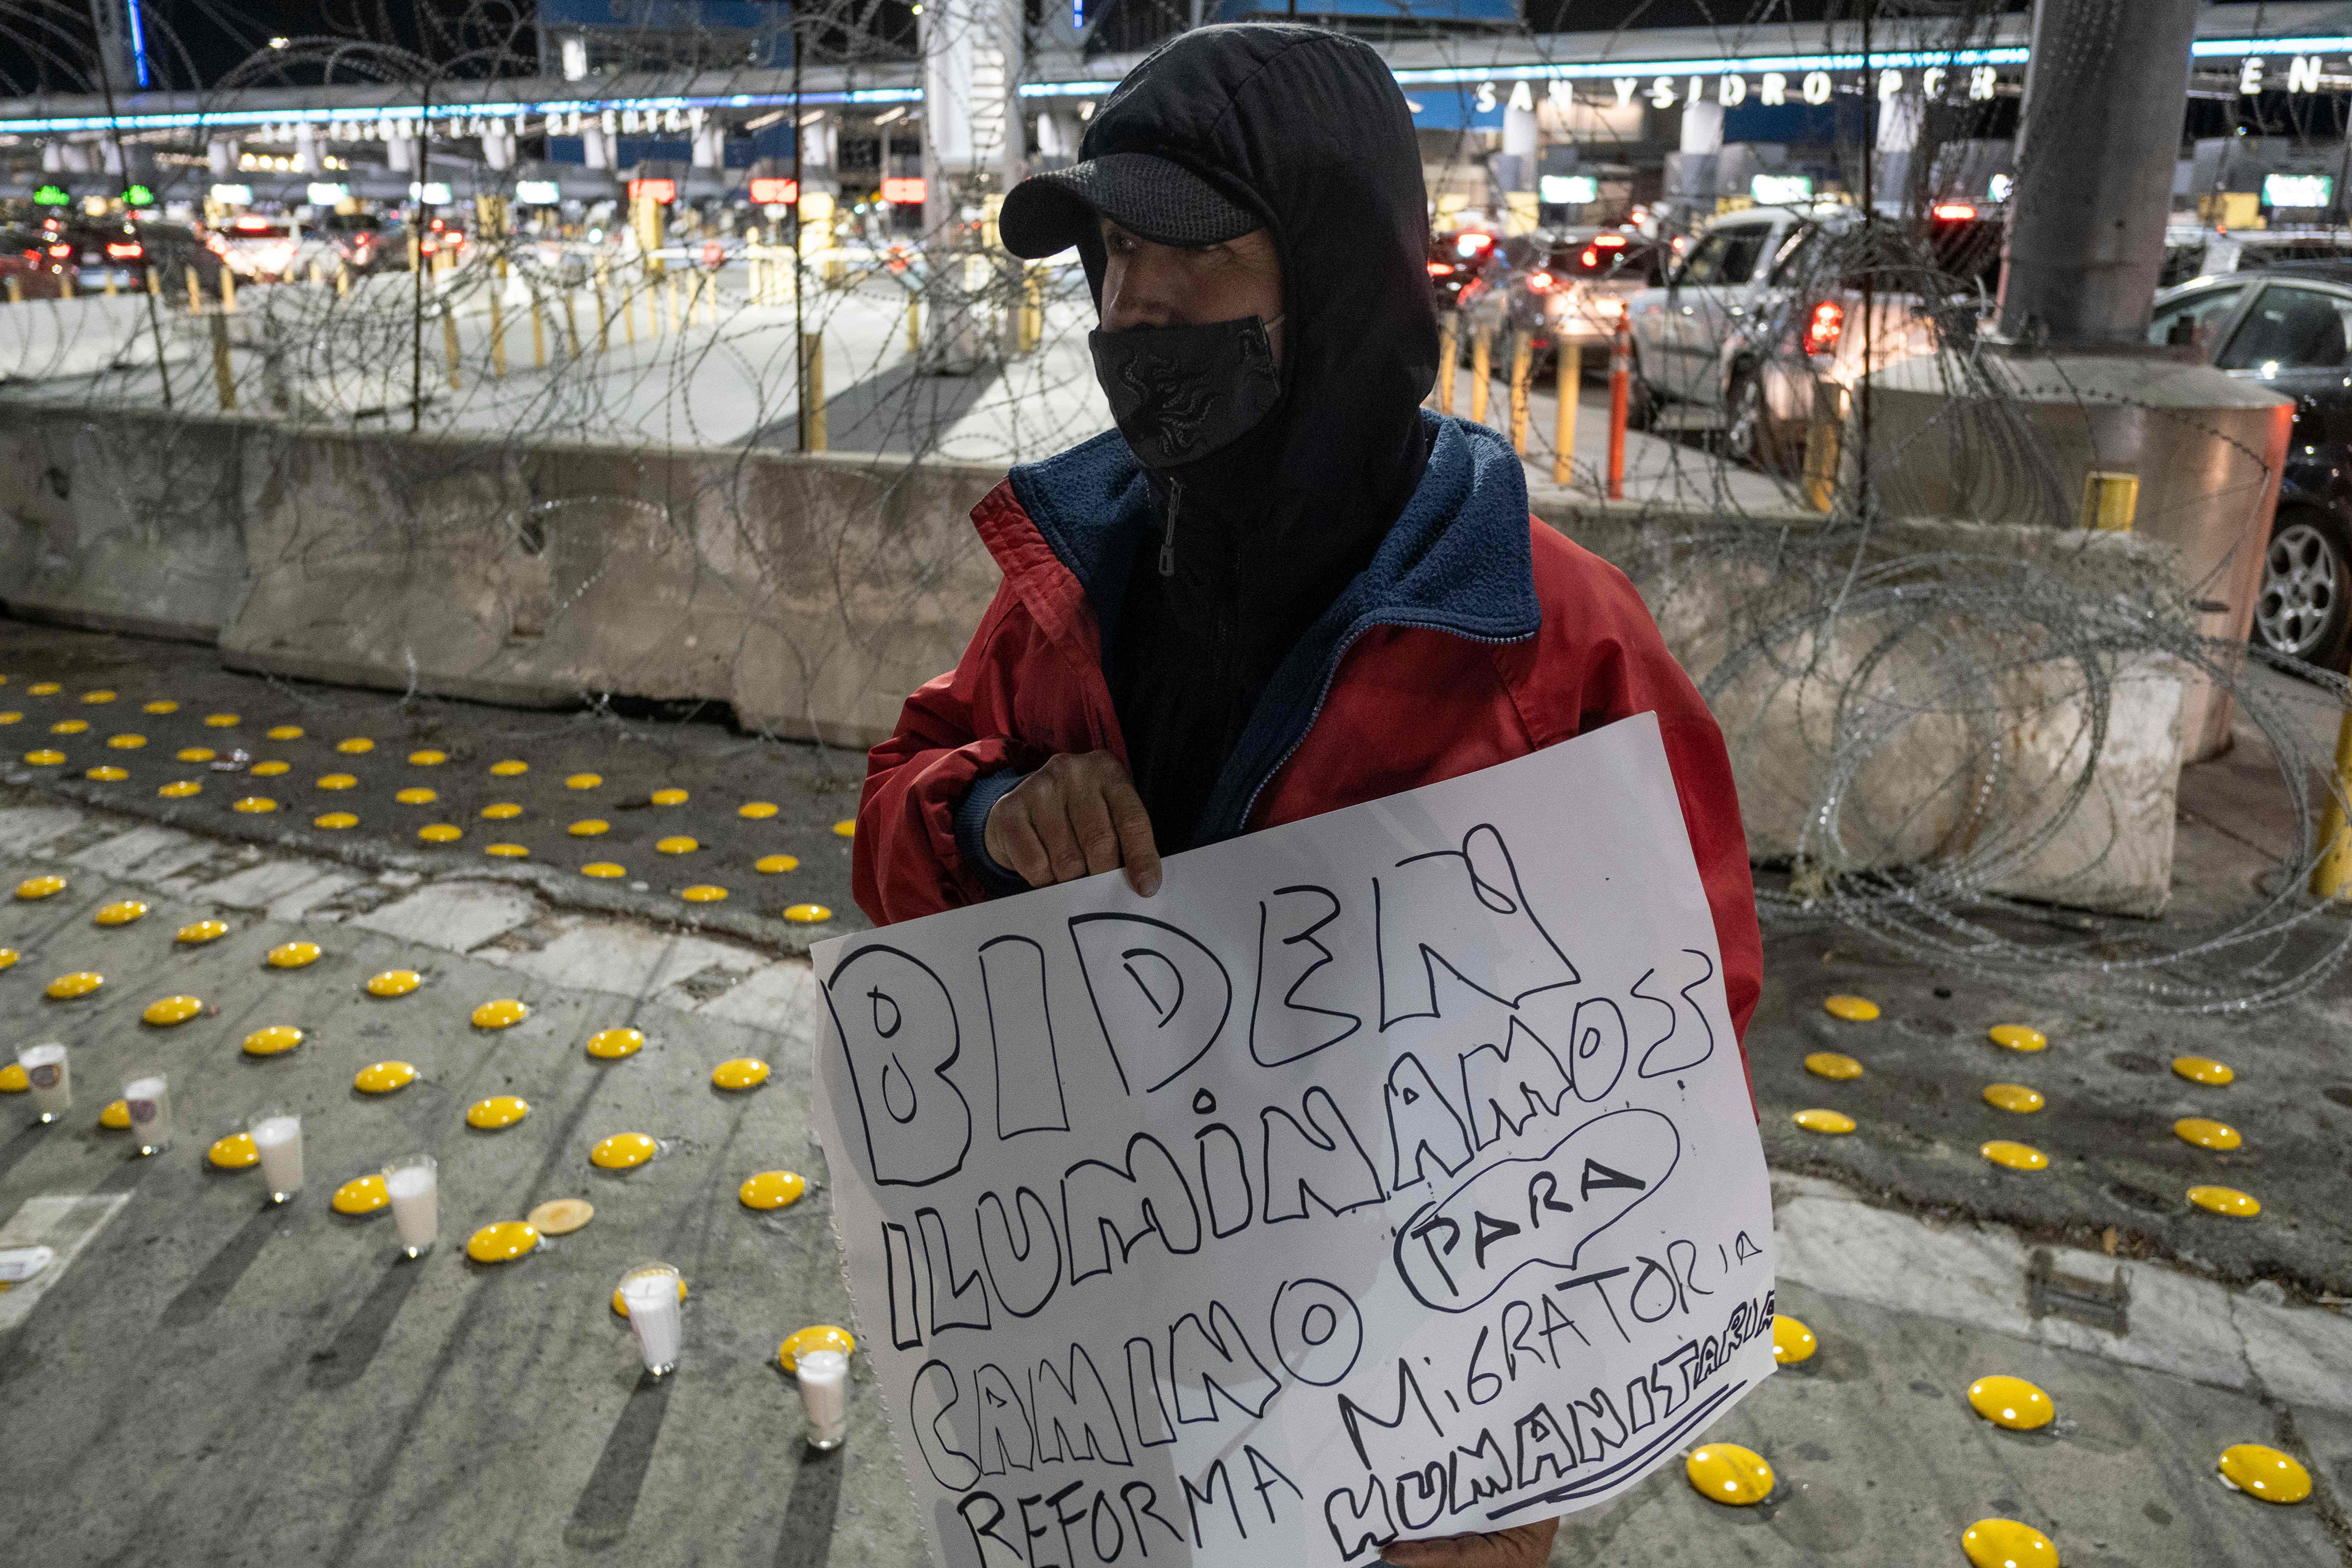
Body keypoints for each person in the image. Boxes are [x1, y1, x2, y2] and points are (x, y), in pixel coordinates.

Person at [852, 23, 1762, 1565]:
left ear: (1329, 285)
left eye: (1189, 258)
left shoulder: (1557, 638)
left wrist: (1514, 1434)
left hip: (1418, 1449)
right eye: (1115, 256)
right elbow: (899, 815)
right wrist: (996, 816)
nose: (1133, 309)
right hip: (1116, 1409)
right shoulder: (1074, 580)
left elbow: (1684, 1035)